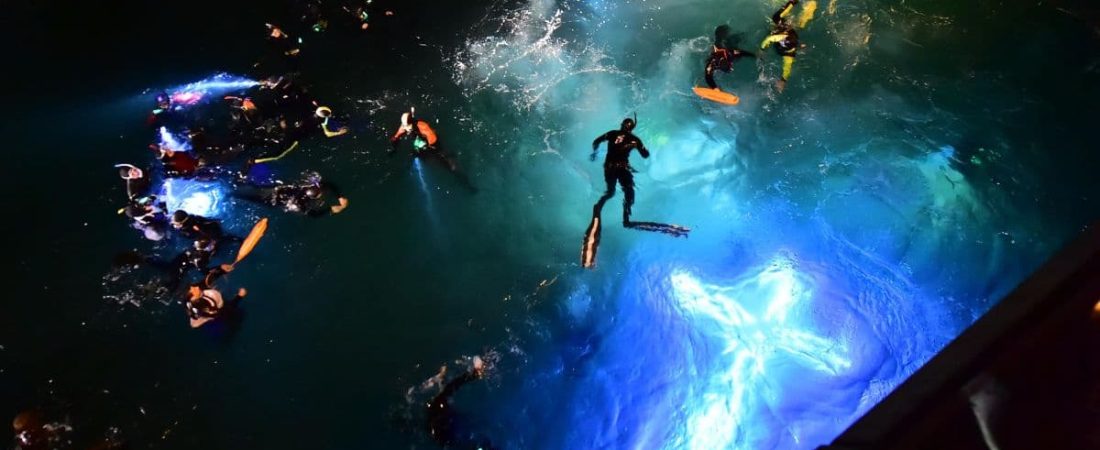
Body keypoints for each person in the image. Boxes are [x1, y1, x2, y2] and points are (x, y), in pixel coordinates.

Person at [426, 357, 496, 450]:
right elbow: (453, 385)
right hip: (449, 432)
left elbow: (452, 386)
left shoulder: (438, 408)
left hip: (448, 434)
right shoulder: (439, 405)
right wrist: (473, 375)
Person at [590, 116, 649, 226]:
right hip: (622, 168)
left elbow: (596, 142)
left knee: (610, 192)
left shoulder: (612, 133)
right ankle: (626, 219)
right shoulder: (634, 140)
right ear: (631, 128)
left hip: (609, 167)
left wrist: (594, 153)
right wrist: (641, 147)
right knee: (629, 191)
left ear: (621, 125)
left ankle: (599, 204)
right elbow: (645, 155)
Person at [760, 0, 811, 92]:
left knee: (791, 25)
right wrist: (762, 49)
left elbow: (787, 69)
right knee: (776, 18)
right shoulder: (784, 37)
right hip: (786, 33)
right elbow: (769, 39)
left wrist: (783, 81)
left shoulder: (789, 55)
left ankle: (803, 10)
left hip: (787, 39)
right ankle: (792, 2)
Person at [185, 264, 246, 329]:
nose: (194, 288)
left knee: (194, 322)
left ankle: (197, 320)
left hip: (200, 310)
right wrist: (239, 296)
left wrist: (221, 270)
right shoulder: (212, 305)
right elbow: (227, 309)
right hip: (215, 311)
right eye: (193, 290)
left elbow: (205, 282)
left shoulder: (189, 297)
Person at [705, 25, 755, 90]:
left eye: (730, 67)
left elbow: (742, 53)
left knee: (736, 39)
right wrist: (714, 87)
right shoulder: (712, 63)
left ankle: (744, 33)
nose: (732, 69)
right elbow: (708, 76)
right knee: (719, 40)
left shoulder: (730, 53)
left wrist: (754, 55)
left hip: (727, 45)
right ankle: (721, 32)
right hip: (720, 49)